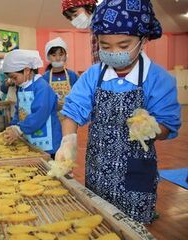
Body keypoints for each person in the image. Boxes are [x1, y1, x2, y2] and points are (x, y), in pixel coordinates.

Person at [56, 0, 181, 224]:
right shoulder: (94, 76)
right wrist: (68, 143)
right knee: (99, 221)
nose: (114, 53)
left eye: (123, 46)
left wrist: (152, 128)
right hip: (98, 170)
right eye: (105, 46)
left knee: (133, 226)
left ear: (142, 40)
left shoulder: (157, 79)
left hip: (137, 173)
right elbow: (73, 111)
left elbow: (168, 124)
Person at [2, 50, 62, 158]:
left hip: (48, 144)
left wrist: (19, 129)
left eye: (14, 77)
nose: (13, 81)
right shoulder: (21, 88)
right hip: (30, 139)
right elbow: (19, 111)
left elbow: (39, 114)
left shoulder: (42, 87)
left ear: (27, 71)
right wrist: (13, 126)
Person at [42, 37, 79, 104]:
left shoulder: (73, 76)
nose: (58, 58)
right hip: (51, 113)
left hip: (69, 113)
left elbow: (78, 96)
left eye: (61, 55)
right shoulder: (44, 78)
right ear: (48, 57)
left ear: (66, 56)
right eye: (54, 55)